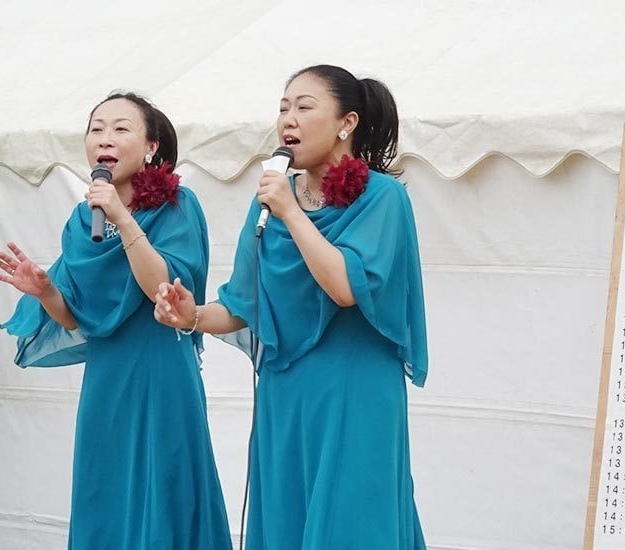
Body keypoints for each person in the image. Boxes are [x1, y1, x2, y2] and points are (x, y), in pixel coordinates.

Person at [154, 65, 428, 549]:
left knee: (351, 523)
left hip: (355, 390)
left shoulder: (381, 198)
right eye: (283, 108)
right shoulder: (271, 203)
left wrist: (289, 211)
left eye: (304, 107)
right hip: (285, 392)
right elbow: (241, 306)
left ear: (347, 122)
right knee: (287, 521)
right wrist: (191, 315)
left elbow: (345, 286)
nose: (288, 119)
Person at [0, 92, 232, 550]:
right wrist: (45, 291)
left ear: (151, 147)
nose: (104, 138)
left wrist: (123, 218)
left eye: (121, 129)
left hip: (163, 371)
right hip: (106, 378)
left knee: (166, 490)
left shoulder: (178, 205)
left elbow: (161, 289)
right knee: (104, 493)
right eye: (96, 129)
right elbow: (77, 317)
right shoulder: (81, 221)